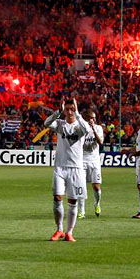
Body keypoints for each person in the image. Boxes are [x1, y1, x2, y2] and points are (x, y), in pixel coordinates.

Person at [45, 98, 90, 242]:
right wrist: (57, 112)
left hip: (76, 168)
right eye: (67, 109)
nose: (69, 112)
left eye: (72, 109)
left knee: (73, 201)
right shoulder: (60, 124)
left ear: (75, 110)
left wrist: (78, 114)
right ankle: (59, 229)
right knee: (57, 198)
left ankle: (69, 232)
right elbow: (46, 123)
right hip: (60, 167)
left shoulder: (81, 126)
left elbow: (87, 130)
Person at [78, 110, 104, 218]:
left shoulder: (98, 128)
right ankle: (82, 211)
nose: (93, 120)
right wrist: (86, 131)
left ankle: (97, 204)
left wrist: (93, 129)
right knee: (81, 186)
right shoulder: (80, 129)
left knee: (96, 187)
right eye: (91, 118)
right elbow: (79, 144)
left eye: (94, 118)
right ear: (85, 119)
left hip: (95, 162)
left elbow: (100, 142)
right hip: (82, 161)